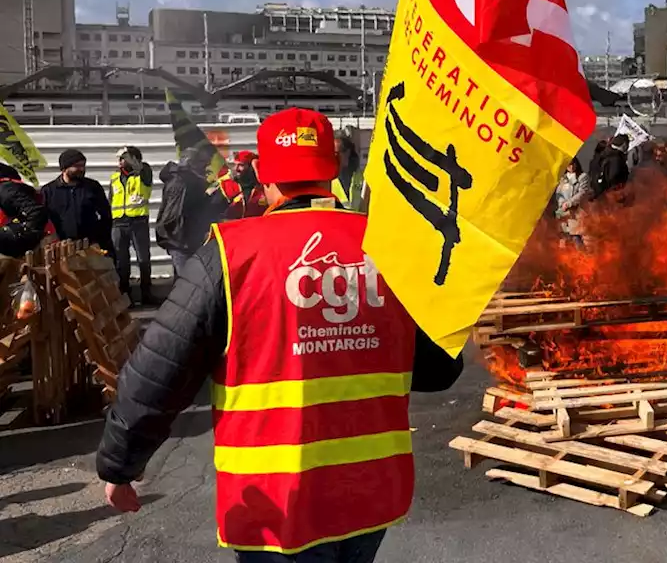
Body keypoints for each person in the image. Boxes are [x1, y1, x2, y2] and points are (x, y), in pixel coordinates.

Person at [96, 108, 464, 562]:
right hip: (371, 495)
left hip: (275, 505)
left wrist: (120, 463)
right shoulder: (386, 247)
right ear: (332, 171)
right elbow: (441, 368)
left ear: (264, 178)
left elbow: (159, 369)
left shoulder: (229, 255)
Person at [155, 147, 221, 273]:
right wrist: (207, 195)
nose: (205, 169)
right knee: (186, 278)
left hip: (181, 238)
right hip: (181, 239)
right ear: (192, 164)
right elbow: (179, 212)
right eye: (202, 165)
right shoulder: (182, 182)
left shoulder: (184, 180)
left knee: (183, 279)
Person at [42, 149, 114, 253]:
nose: (82, 169)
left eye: (83, 165)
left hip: (89, 246)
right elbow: (44, 219)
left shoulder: (92, 187)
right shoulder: (49, 191)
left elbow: (105, 215)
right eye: (77, 166)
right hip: (60, 248)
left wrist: (100, 239)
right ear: (64, 168)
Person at [109, 146, 154, 304]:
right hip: (118, 223)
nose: (121, 161)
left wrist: (130, 155)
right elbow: (111, 199)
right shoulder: (114, 178)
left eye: (124, 158)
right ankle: (125, 294)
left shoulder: (144, 174)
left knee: (143, 259)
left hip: (138, 222)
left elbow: (143, 169)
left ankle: (146, 294)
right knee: (121, 261)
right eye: (120, 159)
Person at [0, 163, 51, 258]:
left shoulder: (6, 191)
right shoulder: (8, 188)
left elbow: (36, 212)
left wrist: (19, 237)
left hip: (19, 249)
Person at [554, 157, 591, 246]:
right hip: (564, 212)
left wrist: (569, 203)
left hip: (577, 211)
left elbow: (582, 192)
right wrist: (562, 203)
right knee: (564, 237)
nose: (571, 167)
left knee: (576, 236)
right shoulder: (563, 178)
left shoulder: (583, 176)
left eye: (573, 164)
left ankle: (582, 256)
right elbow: (558, 193)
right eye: (569, 165)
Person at [223, 152, 268, 220]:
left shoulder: (266, 188)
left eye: (241, 165)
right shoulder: (226, 187)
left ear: (252, 167)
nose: (236, 169)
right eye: (234, 165)